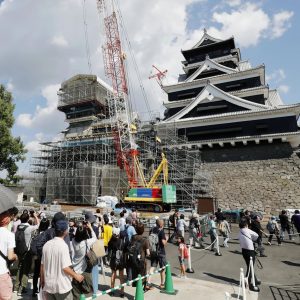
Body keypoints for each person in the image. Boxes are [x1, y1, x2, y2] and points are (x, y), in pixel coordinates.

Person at [41, 220, 84, 299]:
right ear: (65, 231)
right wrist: (76, 276)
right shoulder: (63, 246)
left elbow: (42, 266)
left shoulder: (46, 245)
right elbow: (65, 268)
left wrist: (42, 281)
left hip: (49, 285)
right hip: (62, 286)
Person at [14, 212, 40, 295]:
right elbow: (38, 225)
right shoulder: (29, 228)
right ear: (28, 219)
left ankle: (16, 287)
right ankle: (22, 289)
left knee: (19, 268)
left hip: (19, 251)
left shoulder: (18, 226)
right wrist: (35, 216)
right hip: (27, 252)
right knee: (26, 270)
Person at [71, 222, 96, 299]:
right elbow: (95, 238)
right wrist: (90, 227)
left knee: (75, 293)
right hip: (85, 270)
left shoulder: (73, 241)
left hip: (74, 269)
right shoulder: (86, 242)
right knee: (88, 292)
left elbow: (76, 234)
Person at [238, 217, 260, 292]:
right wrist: (252, 239)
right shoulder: (247, 230)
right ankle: (247, 283)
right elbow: (256, 235)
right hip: (250, 251)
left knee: (250, 266)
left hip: (244, 251)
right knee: (250, 267)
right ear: (246, 224)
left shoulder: (240, 231)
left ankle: (255, 280)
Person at [0, 209, 18, 300]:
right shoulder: (9, 235)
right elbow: (10, 256)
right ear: (7, 219)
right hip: (2, 273)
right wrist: (16, 256)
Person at [32, 218, 50, 297]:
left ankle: (34, 290)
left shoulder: (36, 231)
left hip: (36, 256)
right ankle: (40, 290)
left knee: (36, 273)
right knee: (43, 274)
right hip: (44, 256)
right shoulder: (48, 233)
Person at [130, 223, 150, 290]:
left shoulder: (133, 237)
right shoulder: (145, 240)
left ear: (136, 230)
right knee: (142, 276)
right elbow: (148, 253)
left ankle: (136, 289)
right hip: (141, 260)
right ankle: (140, 291)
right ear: (143, 230)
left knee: (135, 275)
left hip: (133, 259)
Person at [148, 219, 168, 289]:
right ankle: (162, 283)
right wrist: (166, 239)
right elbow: (163, 243)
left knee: (152, 267)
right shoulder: (161, 231)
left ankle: (148, 282)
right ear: (161, 224)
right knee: (162, 268)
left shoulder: (152, 230)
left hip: (153, 251)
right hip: (160, 252)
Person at [84, 212, 100, 297]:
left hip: (86, 252)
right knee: (94, 271)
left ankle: (88, 289)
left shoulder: (84, 229)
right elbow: (96, 239)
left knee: (87, 272)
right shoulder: (95, 228)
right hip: (94, 253)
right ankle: (95, 290)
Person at [108, 227, 125, 298]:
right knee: (121, 276)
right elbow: (124, 250)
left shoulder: (111, 241)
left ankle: (112, 291)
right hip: (120, 260)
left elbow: (109, 249)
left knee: (113, 275)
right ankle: (122, 292)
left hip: (113, 260)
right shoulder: (121, 241)